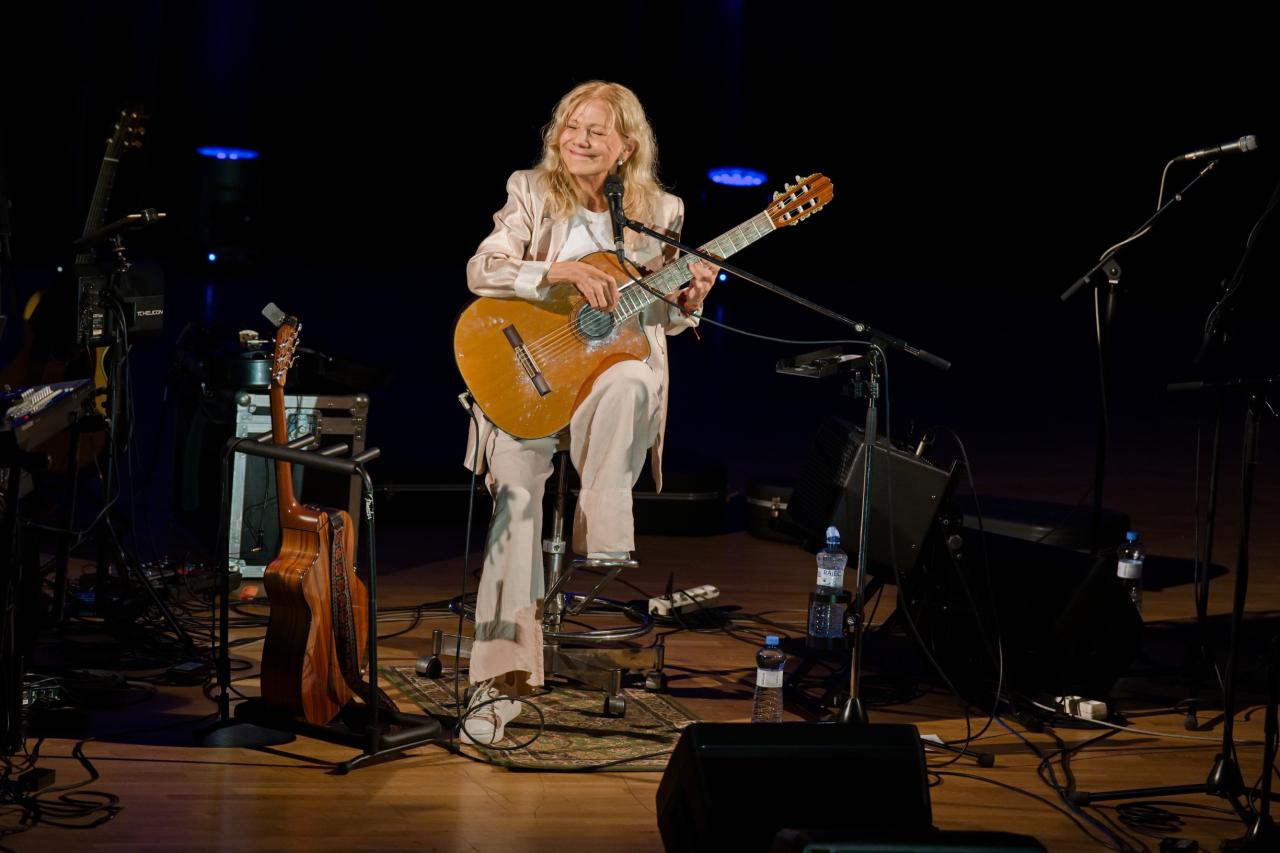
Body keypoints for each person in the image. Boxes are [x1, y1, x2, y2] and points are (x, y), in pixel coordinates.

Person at [460, 81, 718, 744]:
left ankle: (603, 529)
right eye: (571, 126)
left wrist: (689, 298)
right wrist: (561, 273)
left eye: (596, 130)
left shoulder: (660, 211)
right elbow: (482, 269)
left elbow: (657, 316)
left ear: (626, 146)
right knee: (516, 508)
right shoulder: (530, 190)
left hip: (608, 399)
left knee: (630, 376)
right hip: (533, 382)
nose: (578, 139)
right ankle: (497, 684)